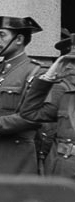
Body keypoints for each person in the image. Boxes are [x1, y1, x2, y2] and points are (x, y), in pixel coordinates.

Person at [0, 16, 45, 175]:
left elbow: (31, 118)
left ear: (19, 39)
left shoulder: (35, 72)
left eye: (2, 35)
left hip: (17, 158)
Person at [17, 40, 75, 178]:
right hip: (64, 172)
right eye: (69, 62)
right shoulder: (67, 98)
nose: (70, 68)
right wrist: (48, 78)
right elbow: (29, 113)